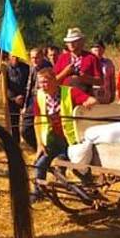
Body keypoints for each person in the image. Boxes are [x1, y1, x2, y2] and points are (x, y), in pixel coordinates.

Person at [30, 67, 97, 201]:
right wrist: (39, 145)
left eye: (45, 82)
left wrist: (89, 102)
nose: (43, 85)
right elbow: (37, 120)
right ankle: (38, 192)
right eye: (40, 82)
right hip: (51, 139)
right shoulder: (40, 97)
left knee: (76, 165)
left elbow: (91, 100)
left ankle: (89, 186)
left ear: (54, 80)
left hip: (71, 140)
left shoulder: (69, 92)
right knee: (40, 164)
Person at [19, 48, 49, 151]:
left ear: (42, 57)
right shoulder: (32, 67)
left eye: (36, 57)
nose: (34, 60)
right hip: (32, 100)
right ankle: (38, 148)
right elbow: (29, 86)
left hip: (44, 100)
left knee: (43, 127)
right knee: (25, 130)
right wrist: (25, 105)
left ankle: (45, 150)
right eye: (32, 58)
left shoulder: (48, 68)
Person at [54, 28, 101, 93]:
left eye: (74, 41)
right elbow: (54, 80)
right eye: (69, 42)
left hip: (85, 95)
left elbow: (100, 81)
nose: (71, 44)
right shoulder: (62, 58)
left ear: (81, 42)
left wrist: (85, 78)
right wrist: (65, 72)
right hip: (65, 95)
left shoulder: (91, 58)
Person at [4, 53, 31, 140]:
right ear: (9, 56)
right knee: (14, 123)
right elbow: (5, 85)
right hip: (12, 100)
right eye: (12, 56)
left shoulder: (26, 68)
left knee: (28, 121)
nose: (15, 58)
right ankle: (16, 142)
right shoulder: (5, 69)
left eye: (16, 56)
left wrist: (23, 96)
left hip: (25, 98)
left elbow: (29, 83)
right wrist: (14, 98)